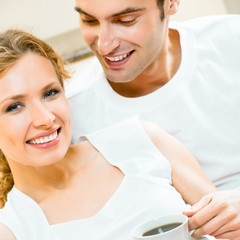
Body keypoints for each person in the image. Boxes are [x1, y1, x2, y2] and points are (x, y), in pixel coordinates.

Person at [0, 29, 218, 240]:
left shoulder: (141, 140)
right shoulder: (13, 229)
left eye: (50, 93)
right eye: (14, 107)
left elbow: (227, 223)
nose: (45, 119)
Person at [66, 0, 240, 239]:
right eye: (89, 20)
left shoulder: (231, 40)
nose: (105, 45)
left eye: (125, 21)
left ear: (171, 3)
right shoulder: (73, 116)